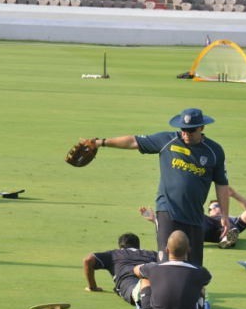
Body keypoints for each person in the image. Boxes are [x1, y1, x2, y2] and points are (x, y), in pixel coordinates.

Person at [82, 107, 230, 266]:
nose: (186, 134)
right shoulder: (167, 140)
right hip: (167, 210)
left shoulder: (214, 151)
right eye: (184, 130)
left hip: (194, 216)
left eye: (191, 130)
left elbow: (221, 185)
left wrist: (225, 216)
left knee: (194, 266)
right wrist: (100, 143)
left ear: (202, 127)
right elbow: (133, 141)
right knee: (167, 262)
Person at [133, 231, 211, 309]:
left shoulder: (153, 268)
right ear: (188, 250)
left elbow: (136, 270)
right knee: (201, 288)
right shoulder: (201, 272)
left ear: (167, 249)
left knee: (145, 279)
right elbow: (208, 279)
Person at [140, 187, 246, 249]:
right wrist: (154, 219)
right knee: (189, 221)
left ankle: (226, 238)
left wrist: (235, 195)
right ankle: (226, 239)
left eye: (215, 206)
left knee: (232, 228)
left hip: (224, 229)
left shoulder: (232, 219)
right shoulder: (205, 217)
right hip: (201, 228)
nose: (212, 209)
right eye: (210, 208)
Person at [82, 232, 156, 305]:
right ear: (138, 246)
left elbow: (88, 260)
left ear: (120, 246)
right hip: (153, 280)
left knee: (135, 292)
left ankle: (141, 291)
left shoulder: (114, 254)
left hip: (129, 281)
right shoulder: (152, 254)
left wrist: (93, 287)